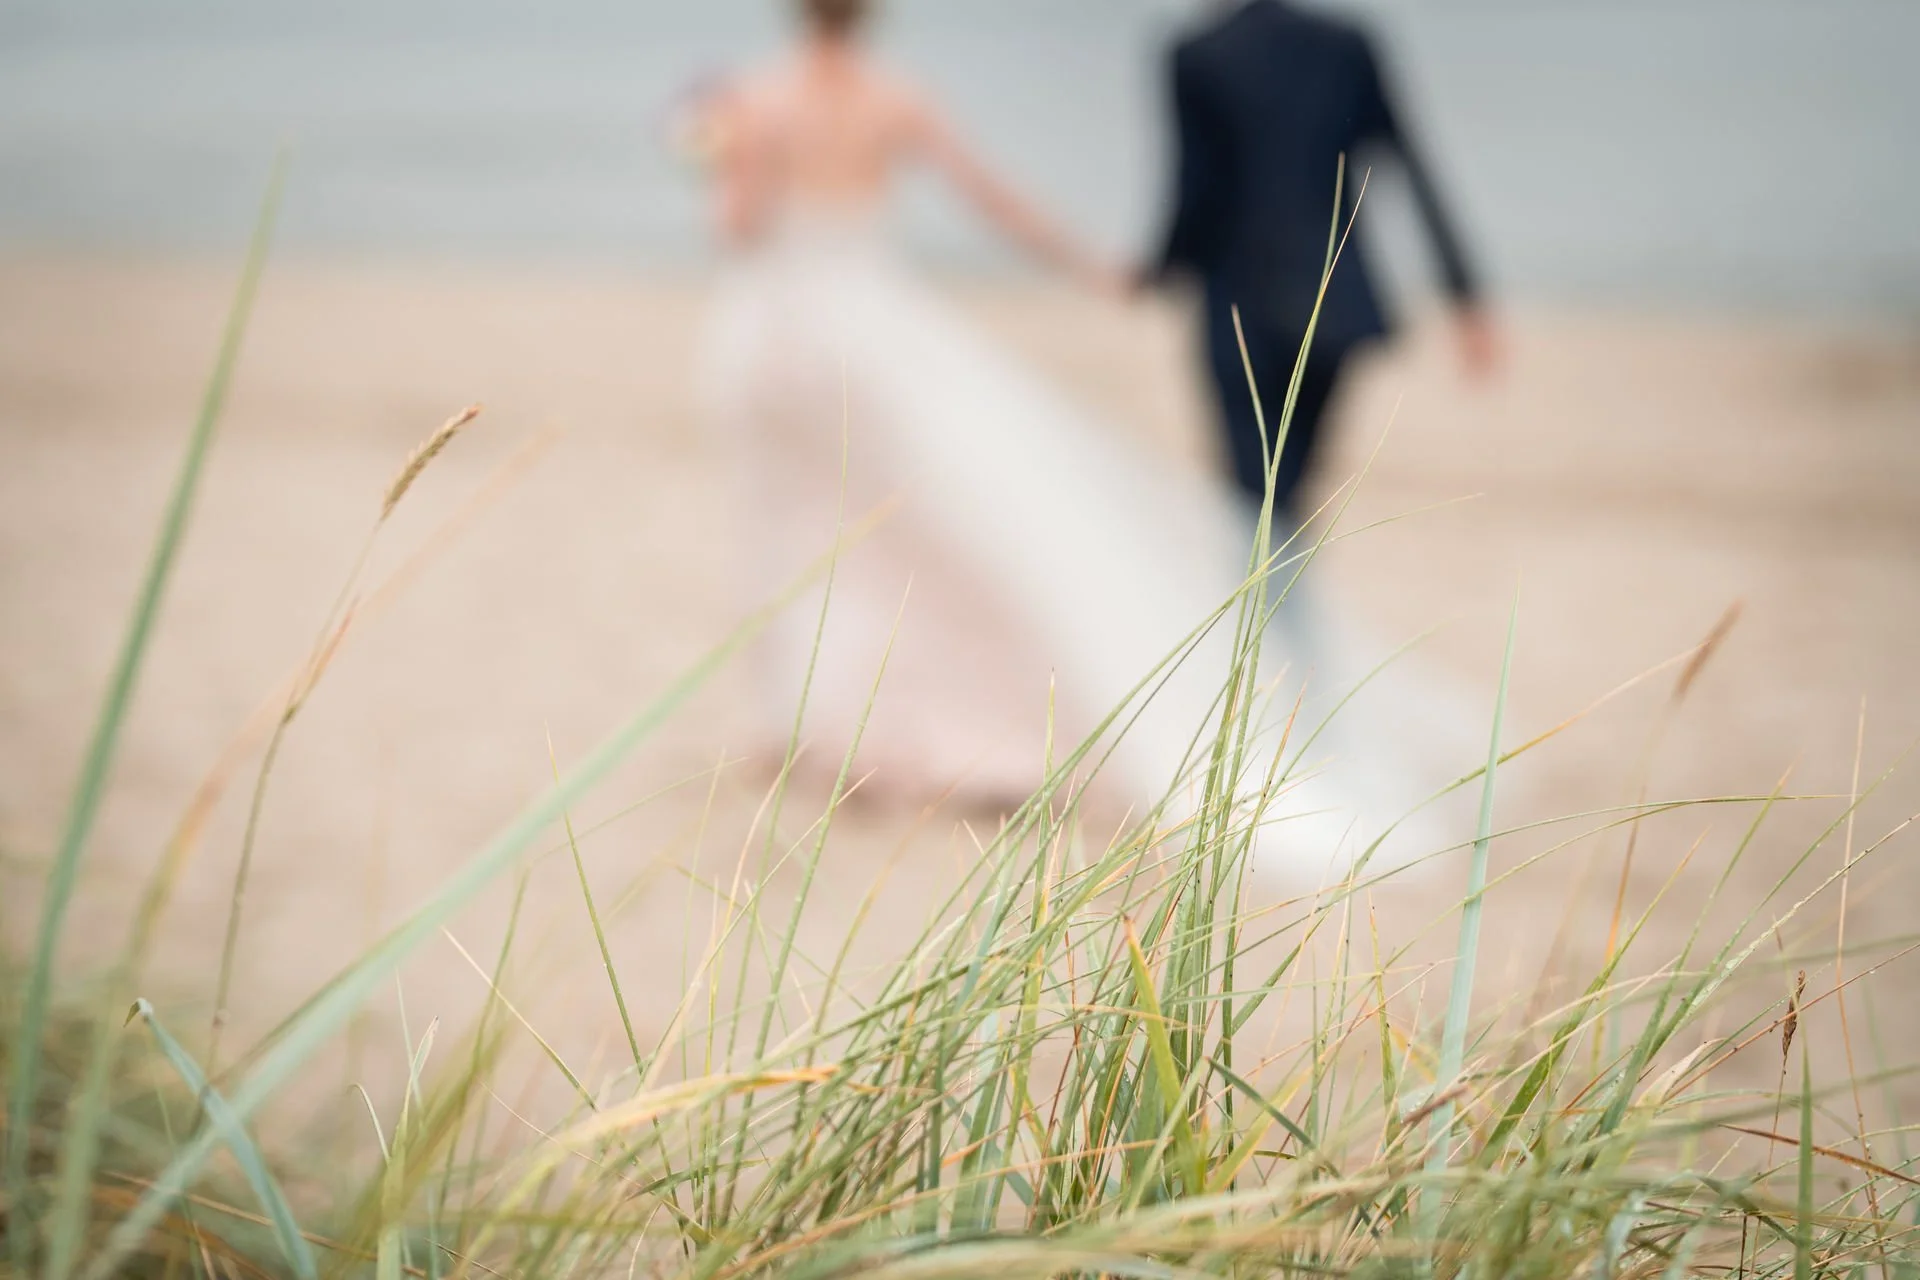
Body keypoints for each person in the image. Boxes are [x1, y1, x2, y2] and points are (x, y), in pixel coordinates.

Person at [691, 0, 1453, 876]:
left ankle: (813, 725)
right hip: (868, 324)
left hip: (779, 338)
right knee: (893, 526)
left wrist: (710, 156)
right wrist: (1090, 266)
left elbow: (738, 224)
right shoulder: (897, 98)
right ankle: (855, 725)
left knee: (800, 527)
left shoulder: (752, 99)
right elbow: (994, 200)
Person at [1144, 0, 1496, 532]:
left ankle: (1266, 604)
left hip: (1238, 307)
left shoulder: (1196, 55)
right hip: (1334, 305)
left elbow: (1194, 193)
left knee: (1250, 489)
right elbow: (1412, 163)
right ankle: (1284, 599)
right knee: (1293, 485)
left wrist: (1156, 270)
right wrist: (1466, 294)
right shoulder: (1347, 44)